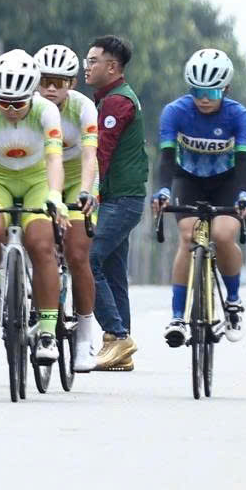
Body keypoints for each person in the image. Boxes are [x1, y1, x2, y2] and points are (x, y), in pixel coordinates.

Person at [0, 49, 69, 366]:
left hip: (37, 180)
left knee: (42, 243)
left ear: (32, 94)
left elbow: (54, 158)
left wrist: (55, 194)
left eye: (18, 103)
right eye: (3, 102)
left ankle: (48, 330)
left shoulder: (47, 111)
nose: (10, 109)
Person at [152, 47, 246, 346]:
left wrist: (245, 195)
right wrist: (163, 190)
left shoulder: (239, 116)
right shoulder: (175, 112)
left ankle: (233, 303)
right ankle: (178, 318)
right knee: (189, 236)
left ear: (226, 88)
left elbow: (245, 162)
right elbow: (167, 159)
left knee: (222, 235)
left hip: (228, 181)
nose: (204, 98)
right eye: (197, 90)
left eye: (212, 91)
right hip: (189, 180)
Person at [35, 43, 104, 370]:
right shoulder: (28, 107)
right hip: (41, 179)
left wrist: (87, 191)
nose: (50, 88)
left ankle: (85, 335)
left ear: (72, 84)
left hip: (78, 180)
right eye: (45, 80)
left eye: (59, 82)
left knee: (77, 253)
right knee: (38, 244)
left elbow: (91, 156)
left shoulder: (84, 109)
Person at [82, 35, 145, 371]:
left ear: (112, 67)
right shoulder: (108, 99)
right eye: (87, 61)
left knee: (88, 258)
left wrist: (87, 191)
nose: (87, 67)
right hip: (121, 198)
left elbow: (99, 154)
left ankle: (117, 335)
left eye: (93, 61)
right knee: (113, 270)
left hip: (119, 199)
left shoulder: (117, 103)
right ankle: (120, 349)